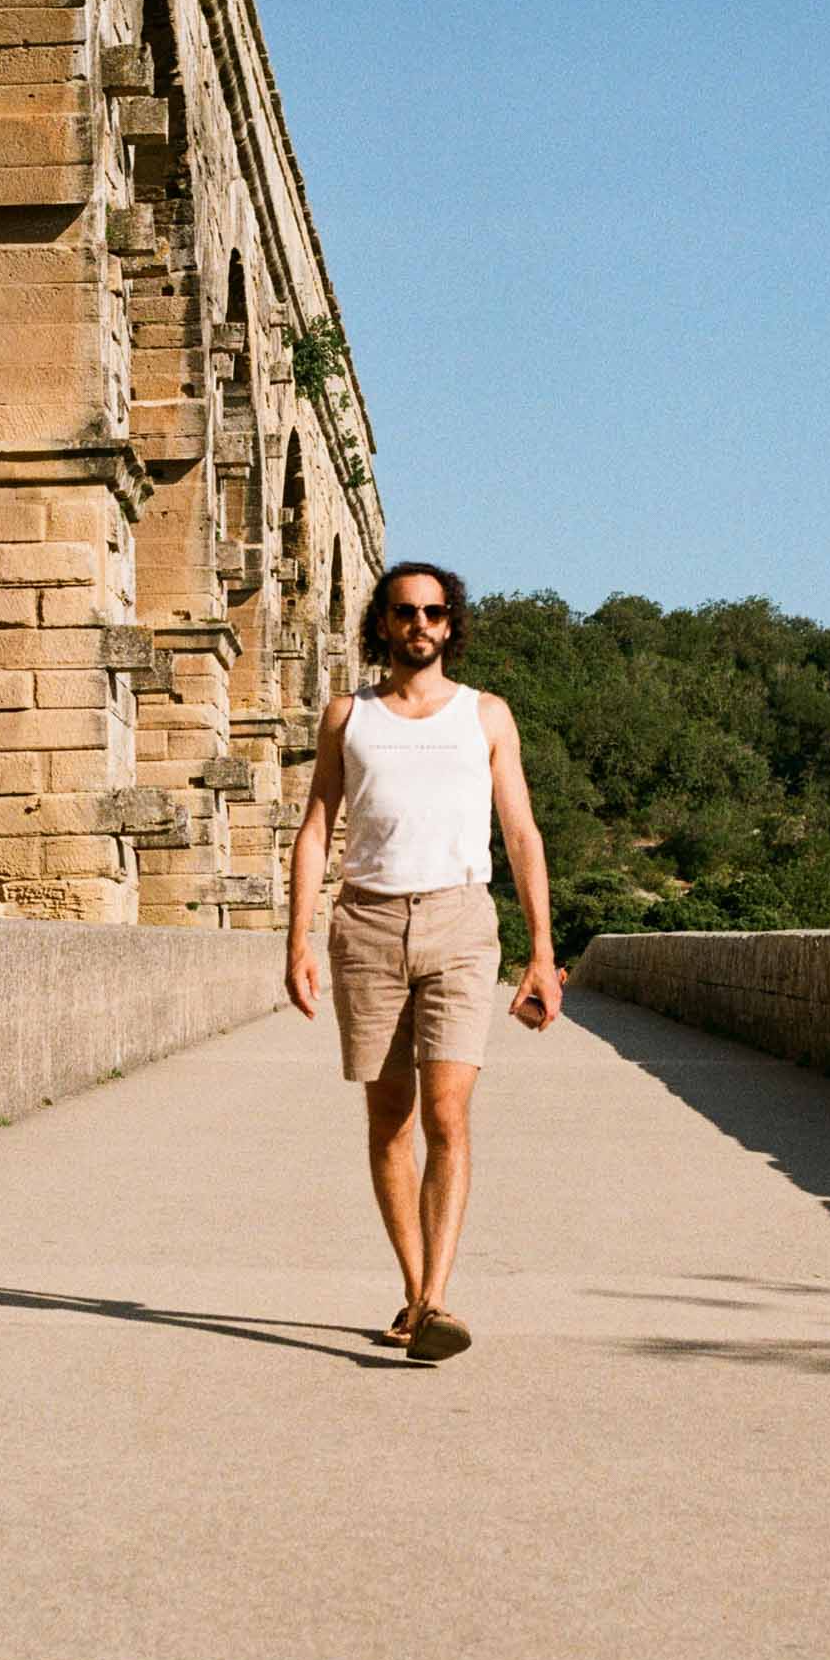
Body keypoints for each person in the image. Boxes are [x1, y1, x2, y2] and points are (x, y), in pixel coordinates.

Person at [285, 561, 565, 1363]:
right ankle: (416, 1294)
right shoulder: (349, 716)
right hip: (366, 925)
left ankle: (437, 1297)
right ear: (383, 622)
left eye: (434, 612)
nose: (420, 624)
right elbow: (317, 825)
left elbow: (521, 834)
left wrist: (543, 952)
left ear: (451, 623)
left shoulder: (486, 715)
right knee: (389, 1121)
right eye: (405, 611)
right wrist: (298, 938)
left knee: (447, 1115)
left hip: (460, 922)